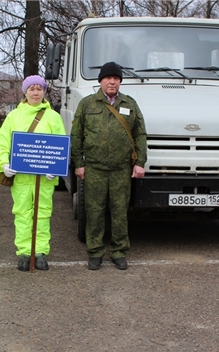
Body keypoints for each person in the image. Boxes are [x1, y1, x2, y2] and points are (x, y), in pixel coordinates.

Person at [70, 61, 147, 271]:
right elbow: (76, 136)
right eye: (107, 78)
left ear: (120, 81)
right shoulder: (87, 104)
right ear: (101, 81)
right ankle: (95, 252)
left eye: (116, 78)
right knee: (94, 211)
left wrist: (140, 162)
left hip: (121, 169)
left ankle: (118, 251)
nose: (112, 82)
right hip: (94, 168)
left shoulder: (129, 104)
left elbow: (140, 134)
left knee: (120, 211)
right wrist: (78, 163)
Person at [0, 75, 66, 271]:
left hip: (44, 179)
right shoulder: (14, 117)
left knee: (42, 215)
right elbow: (1, 143)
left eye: (39, 89)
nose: (35, 93)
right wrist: (4, 164)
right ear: (25, 92)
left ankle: (40, 251)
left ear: (44, 92)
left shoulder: (53, 117)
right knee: (23, 215)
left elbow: (60, 146)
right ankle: (25, 252)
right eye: (31, 89)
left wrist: (56, 168)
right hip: (21, 179)